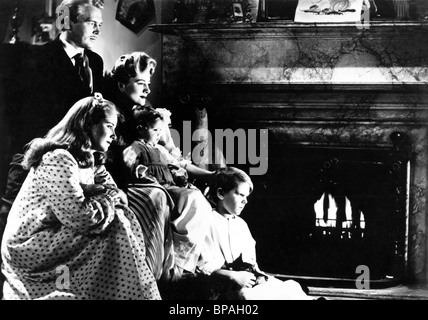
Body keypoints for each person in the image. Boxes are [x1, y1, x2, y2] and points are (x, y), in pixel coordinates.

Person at [1, 95, 161, 300]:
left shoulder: (89, 159)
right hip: (32, 241)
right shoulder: (59, 158)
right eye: (109, 126)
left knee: (120, 216)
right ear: (87, 125)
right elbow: (82, 216)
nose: (114, 134)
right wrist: (107, 198)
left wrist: (106, 196)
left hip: (58, 230)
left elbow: (115, 192)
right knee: (116, 222)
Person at [0, 0, 105, 248]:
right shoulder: (39, 58)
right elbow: (21, 112)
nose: (98, 30)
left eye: (100, 24)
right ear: (67, 23)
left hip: (77, 161)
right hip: (38, 155)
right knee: (18, 226)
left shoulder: (96, 63)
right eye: (92, 23)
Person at [122, 107, 216, 285]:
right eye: (156, 130)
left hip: (169, 185)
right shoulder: (136, 147)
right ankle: (178, 263)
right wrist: (137, 170)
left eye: (161, 131)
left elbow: (178, 164)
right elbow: (127, 163)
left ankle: (189, 260)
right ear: (141, 129)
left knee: (196, 198)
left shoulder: (160, 149)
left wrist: (184, 173)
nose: (159, 135)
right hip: (156, 185)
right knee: (191, 199)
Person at [195, 167, 314, 300]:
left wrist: (257, 275)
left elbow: (250, 262)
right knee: (249, 296)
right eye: (240, 195)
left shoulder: (241, 224)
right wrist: (233, 276)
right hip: (223, 285)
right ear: (221, 193)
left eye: (247, 197)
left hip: (246, 280)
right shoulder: (207, 221)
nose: (245, 201)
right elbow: (202, 268)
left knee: (291, 287)